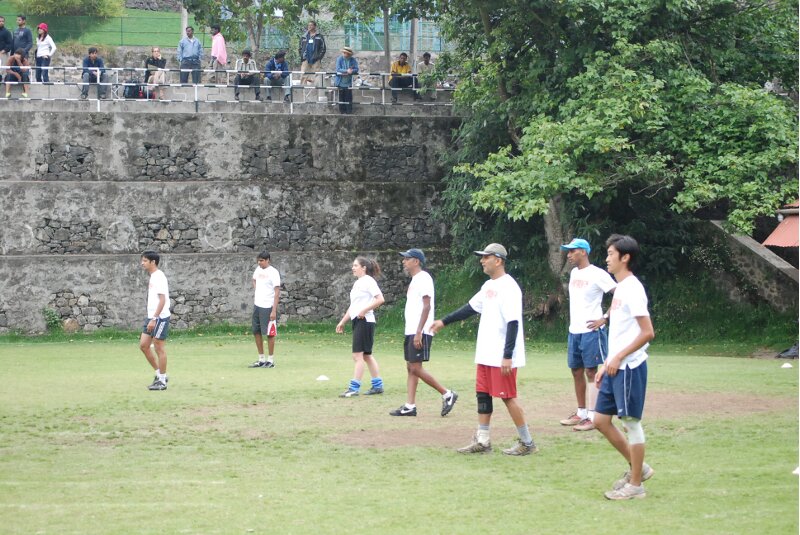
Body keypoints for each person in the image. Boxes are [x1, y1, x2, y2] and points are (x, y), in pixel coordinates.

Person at [431, 243, 537, 456]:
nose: (481, 260)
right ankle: (483, 440)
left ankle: (527, 442)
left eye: (486, 257)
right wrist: (444, 321)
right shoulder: (489, 286)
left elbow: (514, 322)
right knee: (483, 394)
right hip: (486, 353)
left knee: (507, 396)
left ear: (498, 260)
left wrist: (507, 356)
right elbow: (470, 308)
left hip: (501, 356)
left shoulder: (509, 287)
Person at [594, 234, 655, 500]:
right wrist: (606, 362)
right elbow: (619, 331)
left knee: (631, 423)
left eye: (610, 254)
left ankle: (635, 485)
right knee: (600, 420)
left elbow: (647, 332)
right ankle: (639, 469)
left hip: (630, 367)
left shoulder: (633, 288)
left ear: (625, 257)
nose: (607, 259)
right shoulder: (620, 289)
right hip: (613, 366)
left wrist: (619, 358)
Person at [389, 248, 458, 418]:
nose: (403, 261)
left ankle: (447, 394)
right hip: (412, 329)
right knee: (410, 367)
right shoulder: (415, 280)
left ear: (416, 261)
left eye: (407, 259)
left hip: (420, 330)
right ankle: (410, 406)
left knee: (415, 367)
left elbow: (427, 305)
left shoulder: (424, 278)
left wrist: (419, 331)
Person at [559, 238, 617, 432]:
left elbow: (620, 294)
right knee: (576, 371)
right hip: (574, 331)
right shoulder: (574, 273)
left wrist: (605, 317)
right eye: (568, 251)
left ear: (583, 252)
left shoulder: (598, 274)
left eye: (572, 251)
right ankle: (581, 412)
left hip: (592, 331)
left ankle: (594, 416)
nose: (568, 255)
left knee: (591, 372)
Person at [335, 256, 385, 398]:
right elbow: (354, 307)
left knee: (358, 356)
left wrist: (364, 310)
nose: (353, 268)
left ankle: (353, 388)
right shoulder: (358, 283)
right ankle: (378, 386)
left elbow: (380, 299)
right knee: (367, 355)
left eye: (356, 265)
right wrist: (343, 321)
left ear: (364, 268)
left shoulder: (368, 281)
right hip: (359, 321)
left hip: (365, 321)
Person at [139, 250, 171, 391]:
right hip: (151, 317)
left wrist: (154, 319)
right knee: (144, 346)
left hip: (160, 317)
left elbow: (163, 300)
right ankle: (159, 374)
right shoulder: (152, 277)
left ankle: (162, 382)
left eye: (145, 261)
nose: (142, 263)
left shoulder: (159, 277)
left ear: (153, 262)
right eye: (142, 260)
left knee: (158, 347)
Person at [249, 251, 281, 368]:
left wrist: (273, 310)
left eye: (262, 260)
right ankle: (261, 359)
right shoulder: (258, 270)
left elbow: (277, 292)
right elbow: (254, 279)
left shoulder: (273, 272)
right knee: (256, 332)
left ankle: (270, 360)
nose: (259, 263)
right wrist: (257, 290)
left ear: (268, 260)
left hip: (268, 306)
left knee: (269, 333)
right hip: (257, 305)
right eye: (258, 260)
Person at [299, 20, 326, 86]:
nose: (309, 26)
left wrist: (318, 57)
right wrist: (302, 56)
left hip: (316, 59)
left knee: (317, 75)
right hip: (306, 59)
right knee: (303, 75)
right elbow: (300, 48)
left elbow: (323, 48)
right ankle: (303, 91)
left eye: (311, 25)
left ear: (315, 26)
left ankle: (317, 91)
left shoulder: (319, 36)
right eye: (308, 25)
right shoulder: (304, 37)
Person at [334, 46, 358, 114]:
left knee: (349, 98)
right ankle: (342, 112)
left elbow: (356, 69)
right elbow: (338, 69)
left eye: (347, 53)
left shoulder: (353, 60)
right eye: (344, 53)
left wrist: (352, 71)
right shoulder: (339, 59)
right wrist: (346, 71)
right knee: (341, 98)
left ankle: (349, 112)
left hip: (348, 83)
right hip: (340, 82)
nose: (346, 55)